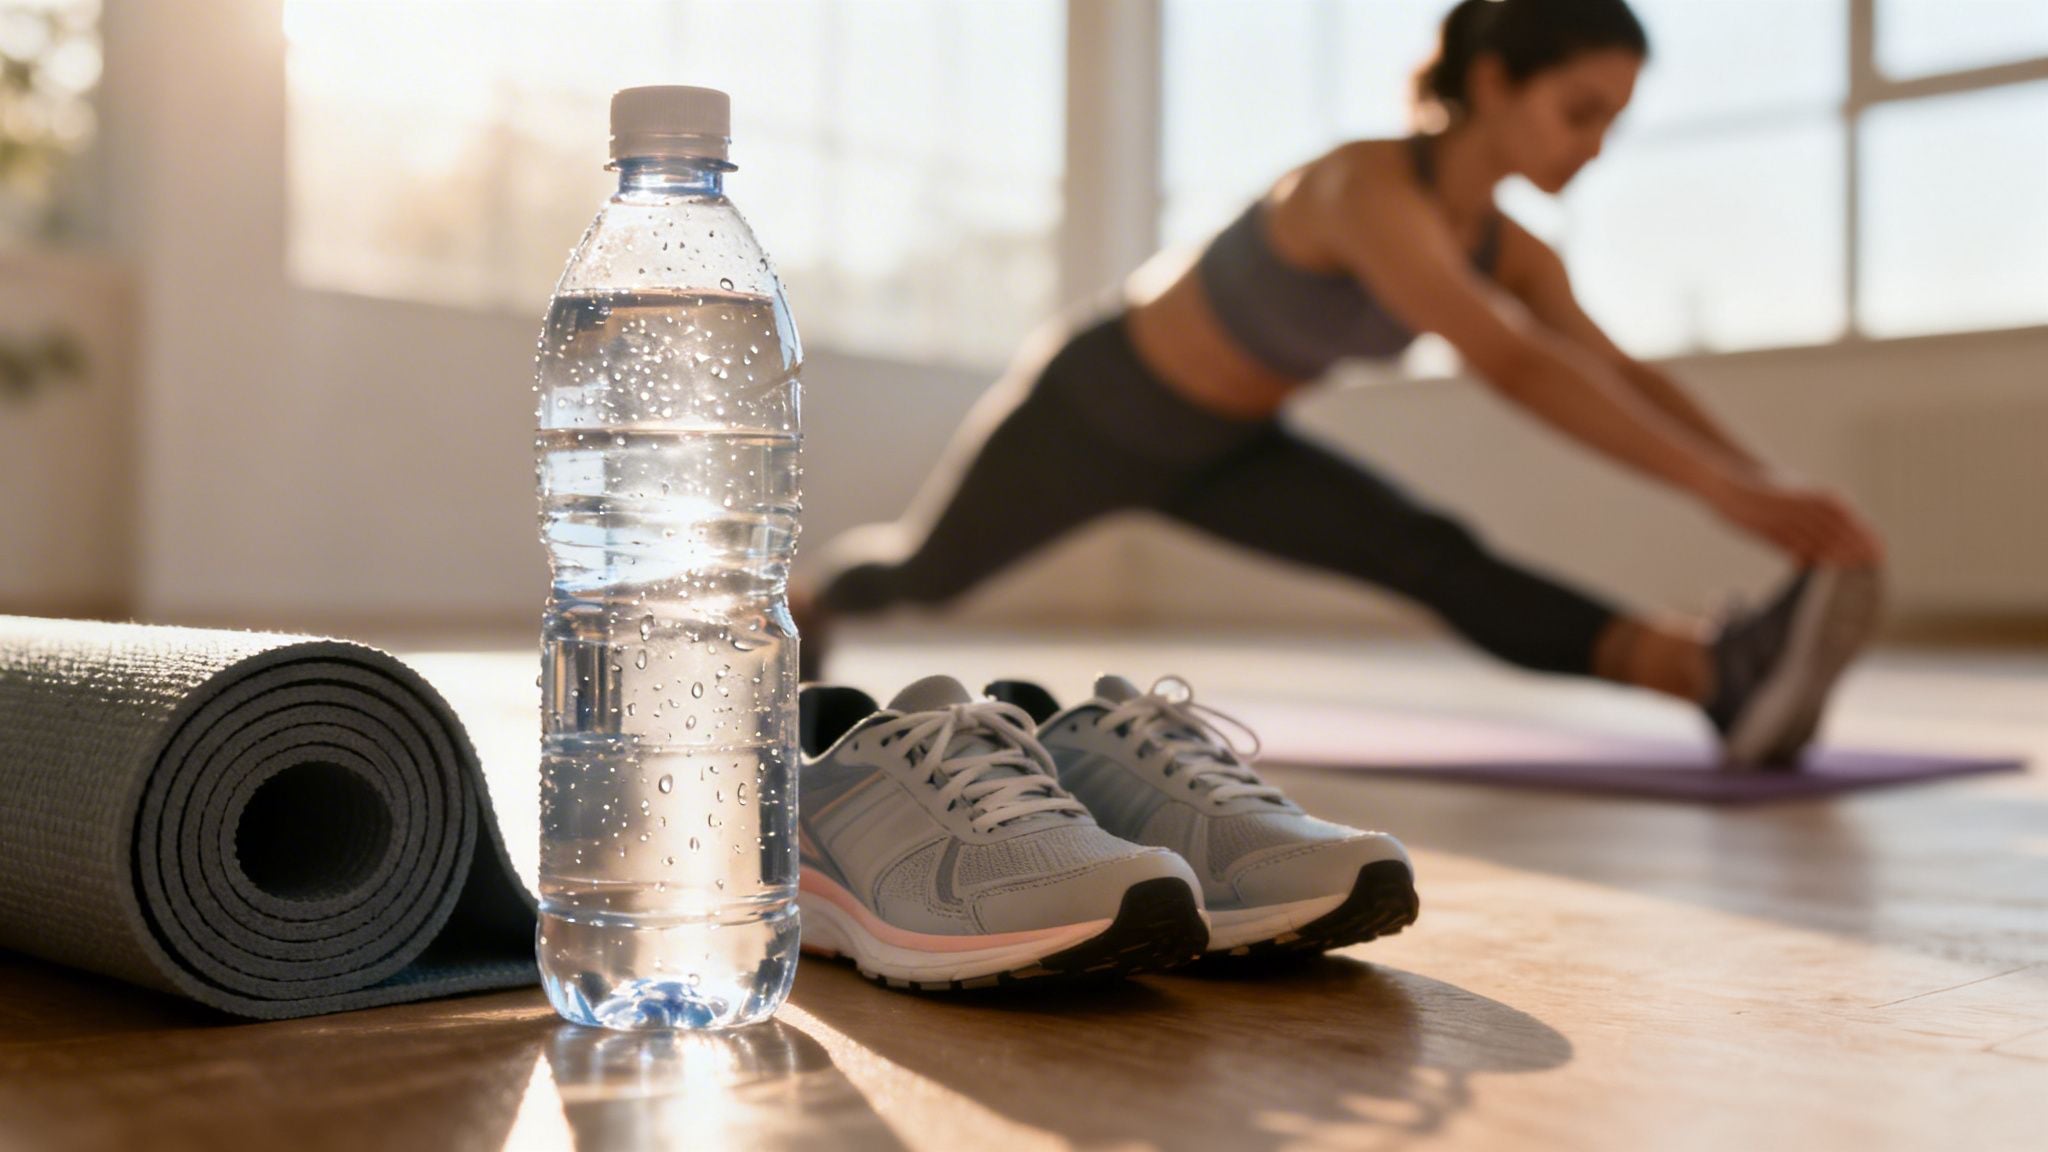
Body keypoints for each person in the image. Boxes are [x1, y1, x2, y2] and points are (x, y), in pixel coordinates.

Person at [803, 0, 1884, 768]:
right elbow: (1512, 363)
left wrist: (1765, 485)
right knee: (920, 573)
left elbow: (1616, 371)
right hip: (1089, 411)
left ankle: (1709, 672)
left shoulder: (1512, 252)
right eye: (1580, 110)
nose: (1595, 145)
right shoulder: (1362, 186)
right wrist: (1722, 494)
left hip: (1226, 448)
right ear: (1495, 83)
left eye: (1612, 120)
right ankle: (809, 599)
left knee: (1430, 552)